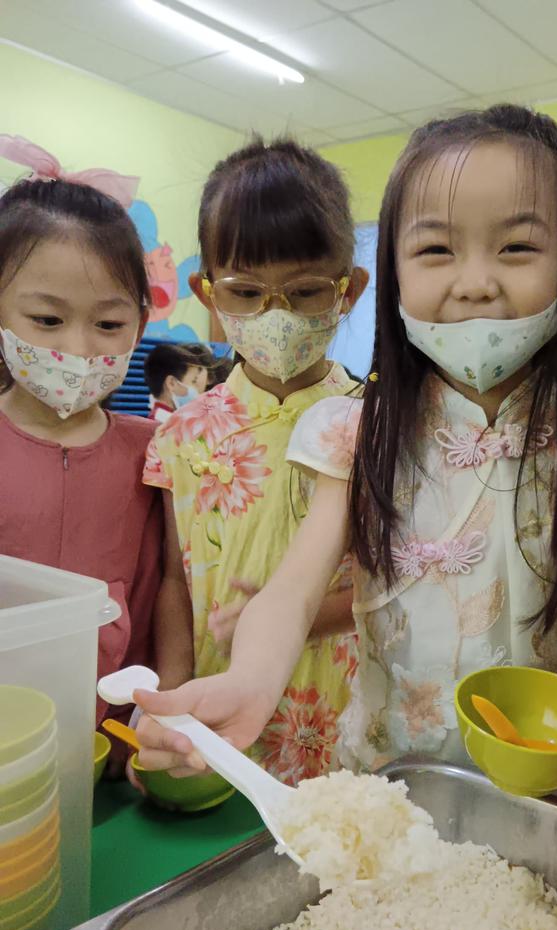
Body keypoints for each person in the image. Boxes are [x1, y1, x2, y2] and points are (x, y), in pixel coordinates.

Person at [134, 105, 557, 800]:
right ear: (389, 273)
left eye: (515, 247)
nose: (475, 280)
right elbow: (294, 591)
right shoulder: (355, 431)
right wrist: (248, 679)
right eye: (435, 250)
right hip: (394, 787)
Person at [141, 137, 367, 784]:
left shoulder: (374, 423)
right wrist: (172, 702)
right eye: (245, 292)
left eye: (304, 293)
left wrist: (294, 616)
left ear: (348, 290)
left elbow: (404, 585)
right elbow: (174, 583)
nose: (275, 315)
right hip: (222, 719)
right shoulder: (179, 437)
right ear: (206, 292)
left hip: (342, 711)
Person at [0, 141, 193, 745]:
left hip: (117, 741)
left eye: (109, 324)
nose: (80, 350)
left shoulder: (158, 451)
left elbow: (168, 585)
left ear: (139, 321)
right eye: (48, 321)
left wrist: (164, 710)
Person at [143, 341, 213, 424]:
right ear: (172, 383)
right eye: (193, 381)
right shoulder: (165, 425)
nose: (195, 390)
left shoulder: (170, 419)